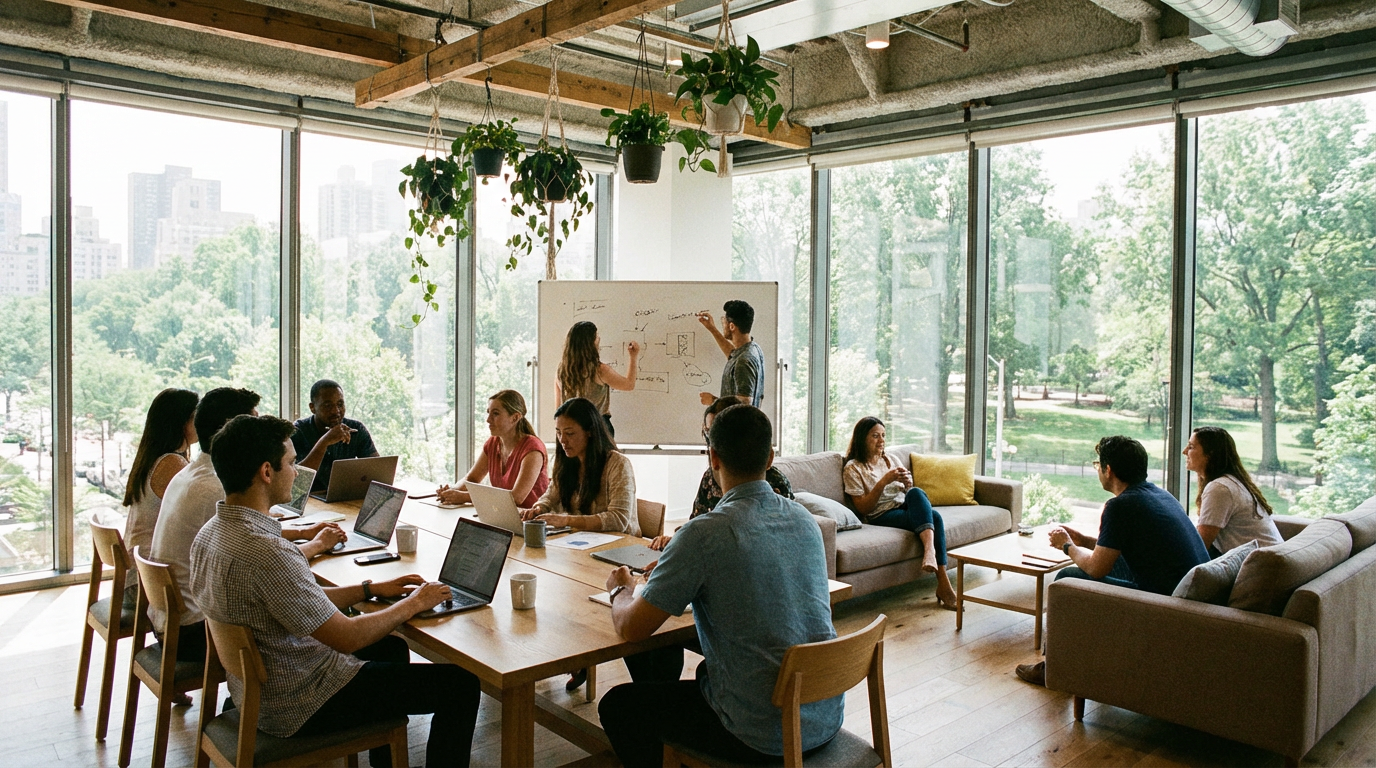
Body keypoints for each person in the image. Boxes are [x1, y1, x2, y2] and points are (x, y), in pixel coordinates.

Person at [189, 414, 481, 767]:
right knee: (461, 685)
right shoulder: (268, 551)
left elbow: (298, 601)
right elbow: (345, 638)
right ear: (266, 472)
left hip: (261, 692)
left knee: (389, 648)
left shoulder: (210, 534)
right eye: (292, 463)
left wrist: (369, 588)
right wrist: (414, 603)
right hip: (301, 703)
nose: (297, 472)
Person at [598, 405, 842, 767]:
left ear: (713, 457)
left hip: (759, 732)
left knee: (618, 706)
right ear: (771, 457)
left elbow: (633, 628)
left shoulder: (704, 534)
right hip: (823, 716)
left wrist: (622, 587)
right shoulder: (805, 522)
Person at [152, 387, 344, 664]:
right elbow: (260, 562)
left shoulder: (192, 472)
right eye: (253, 421)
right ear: (235, 431)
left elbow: (246, 542)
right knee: (323, 632)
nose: (259, 427)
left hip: (177, 622)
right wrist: (315, 544)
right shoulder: (215, 488)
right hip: (197, 633)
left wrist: (303, 532)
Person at [1016, 435, 1209, 686]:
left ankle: (1054, 667)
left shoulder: (1120, 506)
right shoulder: (1161, 495)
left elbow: (1097, 568)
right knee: (1084, 568)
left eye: (1098, 465)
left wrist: (1067, 546)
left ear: (1108, 470)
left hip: (1161, 601)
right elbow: (1118, 549)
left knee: (1066, 579)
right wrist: (1084, 541)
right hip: (1180, 591)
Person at [521, 396, 638, 691]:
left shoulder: (617, 464)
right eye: (558, 433)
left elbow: (619, 520)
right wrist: (538, 508)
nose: (563, 440)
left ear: (590, 431)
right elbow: (552, 495)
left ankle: (578, 655)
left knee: (567, 592)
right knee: (552, 583)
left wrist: (567, 521)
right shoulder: (568, 462)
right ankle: (568, 655)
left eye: (569, 433)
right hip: (581, 550)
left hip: (618, 556)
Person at [842, 416, 958, 610]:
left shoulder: (891, 459)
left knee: (916, 492)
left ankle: (930, 553)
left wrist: (907, 484)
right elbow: (864, 508)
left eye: (883, 436)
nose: (881, 440)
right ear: (862, 438)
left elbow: (908, 492)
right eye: (875, 436)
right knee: (935, 517)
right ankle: (943, 582)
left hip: (903, 505)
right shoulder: (853, 468)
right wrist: (883, 482)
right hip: (881, 515)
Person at [649, 397, 794, 551]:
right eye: (708, 431)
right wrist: (676, 542)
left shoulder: (776, 484)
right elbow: (696, 524)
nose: (713, 439)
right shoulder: (709, 477)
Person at [122, 388, 198, 603]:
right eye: (196, 417)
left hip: (141, 576)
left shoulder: (155, 457)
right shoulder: (171, 463)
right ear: (181, 421)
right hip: (149, 584)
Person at [436, 390, 549, 507]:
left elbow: (516, 498)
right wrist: (451, 491)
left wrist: (463, 497)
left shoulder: (533, 449)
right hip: (502, 515)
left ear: (515, 418)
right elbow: (472, 478)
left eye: (495, 414)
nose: (488, 419)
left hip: (532, 521)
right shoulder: (493, 443)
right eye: (488, 413)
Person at [1185, 426, 1282, 555]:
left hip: (1260, 567)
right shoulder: (1231, 482)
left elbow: (1200, 546)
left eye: (1191, 447)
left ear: (1210, 454)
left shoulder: (1220, 488)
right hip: (1261, 561)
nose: (1184, 451)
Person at [555, 321, 641, 437]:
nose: (599, 338)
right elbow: (629, 385)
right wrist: (633, 356)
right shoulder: (599, 370)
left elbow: (558, 408)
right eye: (596, 336)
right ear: (590, 342)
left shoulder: (562, 370)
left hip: (570, 429)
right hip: (597, 428)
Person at [292, 379, 379, 492]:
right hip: (309, 499)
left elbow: (377, 471)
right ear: (312, 407)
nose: (336, 411)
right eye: (328, 405)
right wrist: (325, 442)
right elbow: (297, 481)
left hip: (344, 497)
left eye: (340, 404)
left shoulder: (356, 429)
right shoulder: (298, 431)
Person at [697, 300, 764, 408]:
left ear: (732, 326)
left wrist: (714, 401)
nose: (723, 324)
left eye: (724, 322)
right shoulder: (752, 349)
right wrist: (712, 328)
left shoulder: (744, 360)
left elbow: (745, 403)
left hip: (737, 424)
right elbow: (732, 355)